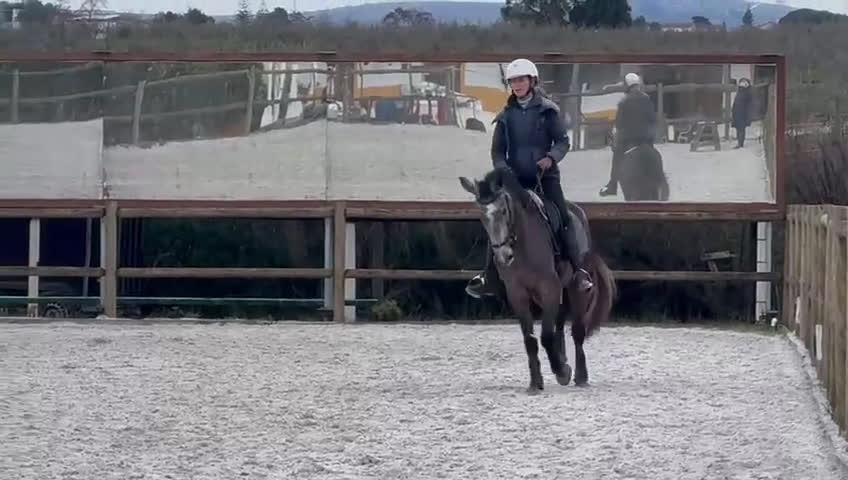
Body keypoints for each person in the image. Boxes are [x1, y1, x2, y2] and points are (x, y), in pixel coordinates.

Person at [465, 58, 594, 299]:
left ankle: (579, 272)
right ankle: (487, 276)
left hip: (545, 178)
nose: (517, 84)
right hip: (515, 181)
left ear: (532, 81)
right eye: (513, 81)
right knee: (496, 220)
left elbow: (563, 141)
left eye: (521, 80)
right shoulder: (505, 116)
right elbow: (497, 152)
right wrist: (504, 169)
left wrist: (550, 159)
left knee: (563, 218)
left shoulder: (548, 110)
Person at [599, 72, 658, 197]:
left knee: (617, 156)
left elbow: (619, 124)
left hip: (629, 139)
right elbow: (653, 119)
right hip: (646, 138)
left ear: (627, 85)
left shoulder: (623, 102)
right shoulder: (647, 98)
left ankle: (612, 185)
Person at [732, 78, 753, 148]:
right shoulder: (740, 92)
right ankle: (739, 143)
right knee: (739, 128)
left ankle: (740, 144)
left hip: (743, 113)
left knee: (741, 129)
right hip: (738, 112)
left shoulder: (747, 92)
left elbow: (748, 104)